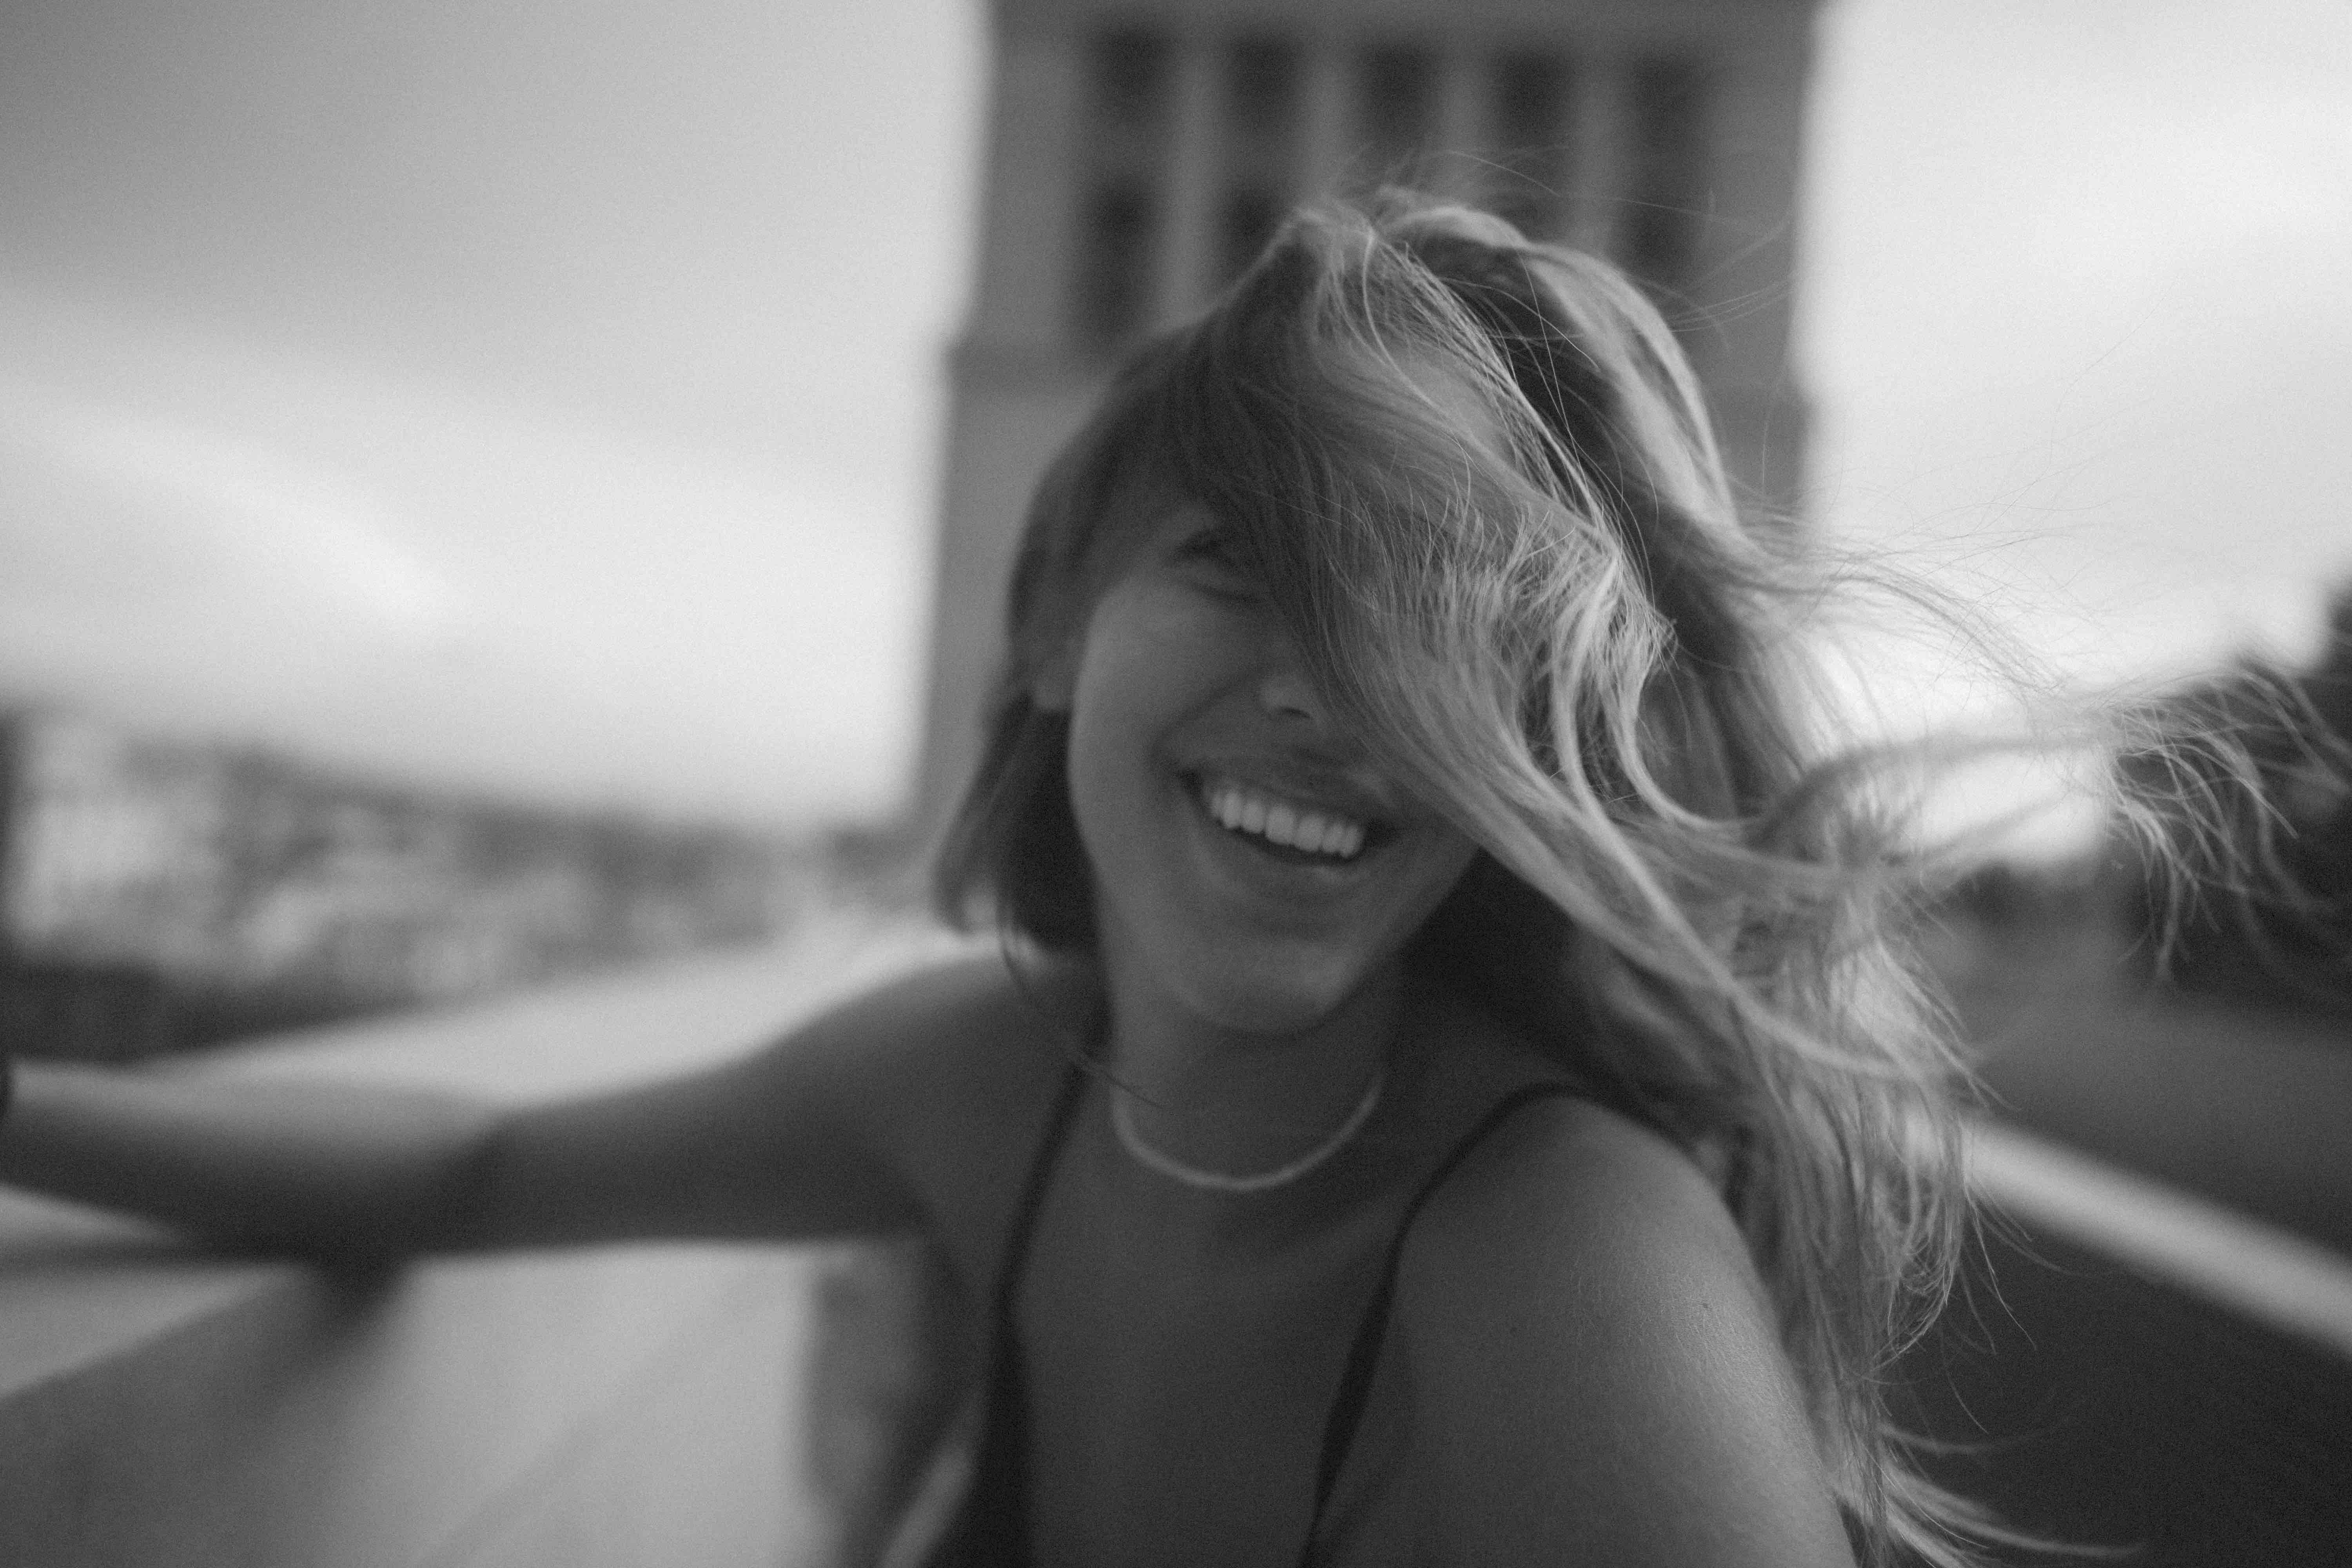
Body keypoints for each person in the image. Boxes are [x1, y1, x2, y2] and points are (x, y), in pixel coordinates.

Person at [0, 192, 2001, 1567]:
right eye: (1243, 570)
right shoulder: (994, 1077)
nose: (1330, 698)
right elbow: (475, 1168)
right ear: (1053, 627)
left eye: (1436, 633)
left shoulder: (1562, 1253)